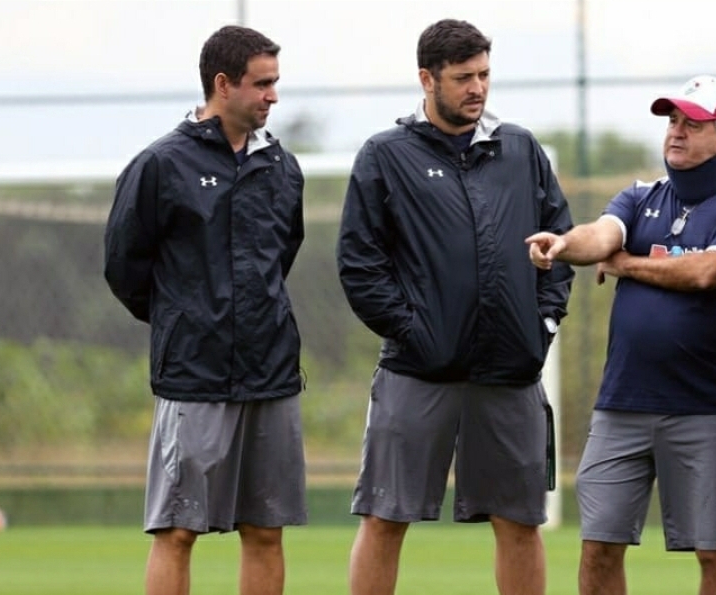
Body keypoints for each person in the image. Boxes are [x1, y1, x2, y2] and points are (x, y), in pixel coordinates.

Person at [336, 18, 574, 595]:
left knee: (520, 521)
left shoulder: (521, 149)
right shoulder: (384, 155)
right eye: (463, 77)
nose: (478, 88)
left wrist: (541, 322)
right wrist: (417, 332)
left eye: (485, 74)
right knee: (385, 516)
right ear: (427, 78)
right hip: (418, 369)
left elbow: (559, 243)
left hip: (510, 370)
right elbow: (360, 265)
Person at [527, 75, 716, 595]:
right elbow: (601, 234)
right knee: (598, 548)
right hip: (621, 405)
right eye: (672, 120)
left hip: (705, 407)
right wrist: (564, 243)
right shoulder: (640, 197)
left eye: (692, 123)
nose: (676, 133)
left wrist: (624, 266)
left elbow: (706, 272)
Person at [103, 25, 306, 595]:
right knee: (177, 530)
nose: (273, 96)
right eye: (262, 84)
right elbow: (125, 267)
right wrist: (186, 319)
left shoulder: (283, 168)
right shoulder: (160, 165)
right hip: (194, 376)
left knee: (267, 531)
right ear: (223, 84)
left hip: (272, 374)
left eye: (275, 83)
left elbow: (281, 255)